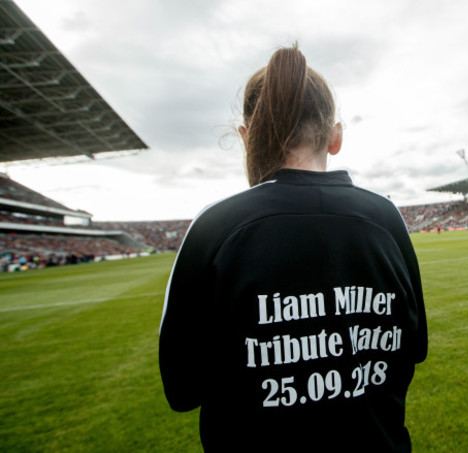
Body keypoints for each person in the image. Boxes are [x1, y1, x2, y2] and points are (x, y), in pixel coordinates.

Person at [159, 45, 428, 453]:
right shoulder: (386, 218)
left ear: (247, 138)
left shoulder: (215, 227)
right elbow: (414, 348)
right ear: (335, 137)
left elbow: (182, 390)